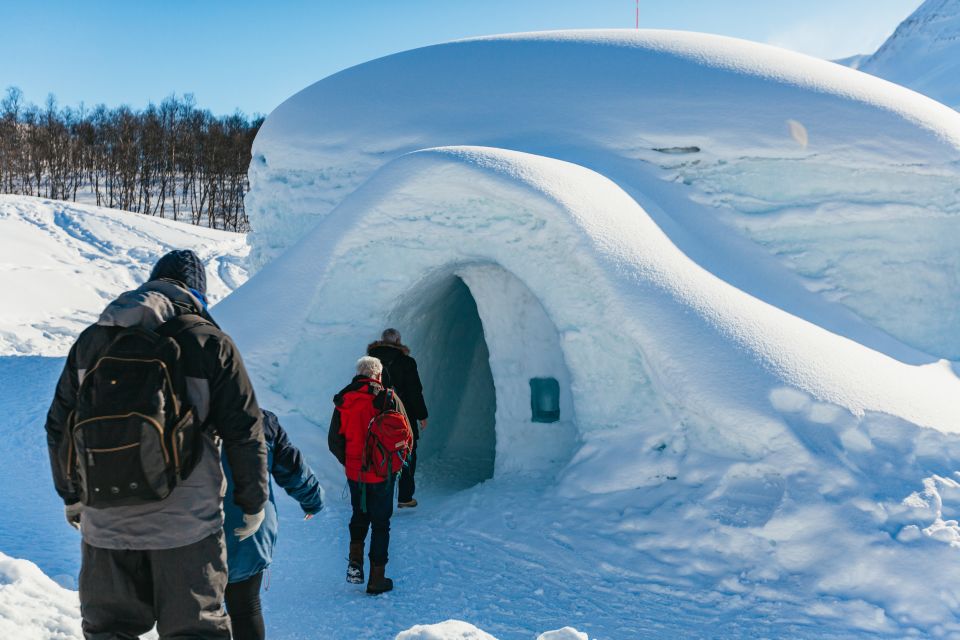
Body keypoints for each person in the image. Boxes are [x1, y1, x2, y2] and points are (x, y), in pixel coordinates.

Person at [45, 249, 269, 639]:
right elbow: (244, 432)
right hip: (186, 527)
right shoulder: (209, 342)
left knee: (110, 631)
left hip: (105, 525)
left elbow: (59, 425)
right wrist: (252, 503)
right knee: (195, 632)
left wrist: (71, 494)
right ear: (197, 295)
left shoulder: (93, 341)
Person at [223, 409, 324, 640]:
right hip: (249, 529)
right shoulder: (262, 420)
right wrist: (312, 501)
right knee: (245, 608)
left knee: (196, 613)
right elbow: (293, 468)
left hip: (195, 528)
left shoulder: (182, 416)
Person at [328, 356, 410, 594]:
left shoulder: (344, 400)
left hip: (356, 473)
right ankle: (377, 579)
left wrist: (350, 462)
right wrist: (394, 465)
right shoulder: (388, 398)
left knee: (359, 514)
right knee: (381, 523)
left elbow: (334, 441)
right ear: (378, 375)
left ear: (359, 374)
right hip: (383, 472)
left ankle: (355, 564)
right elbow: (406, 435)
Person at [367, 328, 428, 508]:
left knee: (377, 451)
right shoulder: (406, 362)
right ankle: (405, 497)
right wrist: (422, 415)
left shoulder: (369, 363)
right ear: (399, 341)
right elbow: (414, 392)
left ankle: (378, 495)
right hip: (403, 415)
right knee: (406, 452)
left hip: (376, 414)